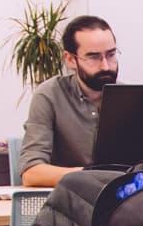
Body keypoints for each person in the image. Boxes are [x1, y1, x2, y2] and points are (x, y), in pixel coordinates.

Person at [18, 14, 119, 187]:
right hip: (71, 197)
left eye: (110, 55)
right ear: (70, 59)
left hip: (124, 197)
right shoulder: (50, 95)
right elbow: (31, 172)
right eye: (93, 57)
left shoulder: (129, 97)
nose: (105, 66)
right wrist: (90, 176)